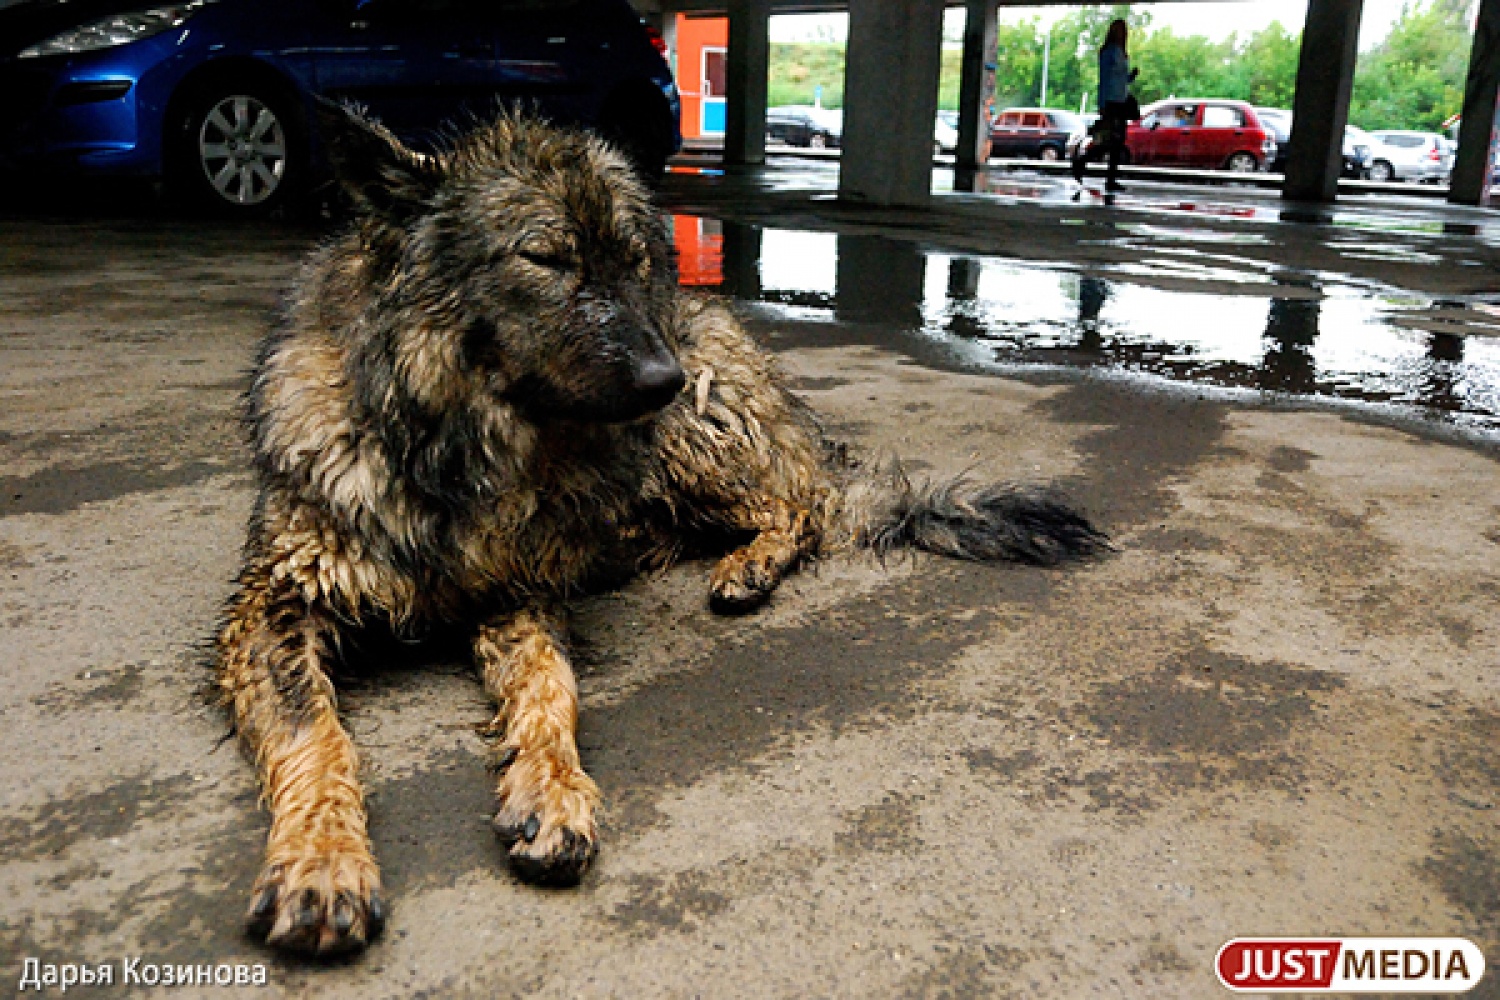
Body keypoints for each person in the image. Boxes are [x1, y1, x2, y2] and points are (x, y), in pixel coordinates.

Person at [1072, 18, 1138, 194]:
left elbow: (1120, 79)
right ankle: (1084, 162)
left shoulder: (1121, 53)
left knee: (1116, 141)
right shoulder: (1109, 52)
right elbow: (1105, 79)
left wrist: (1131, 77)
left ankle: (1109, 177)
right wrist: (1102, 104)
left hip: (1120, 101)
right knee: (1112, 140)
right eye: (1120, 30)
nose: (1123, 34)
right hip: (1111, 102)